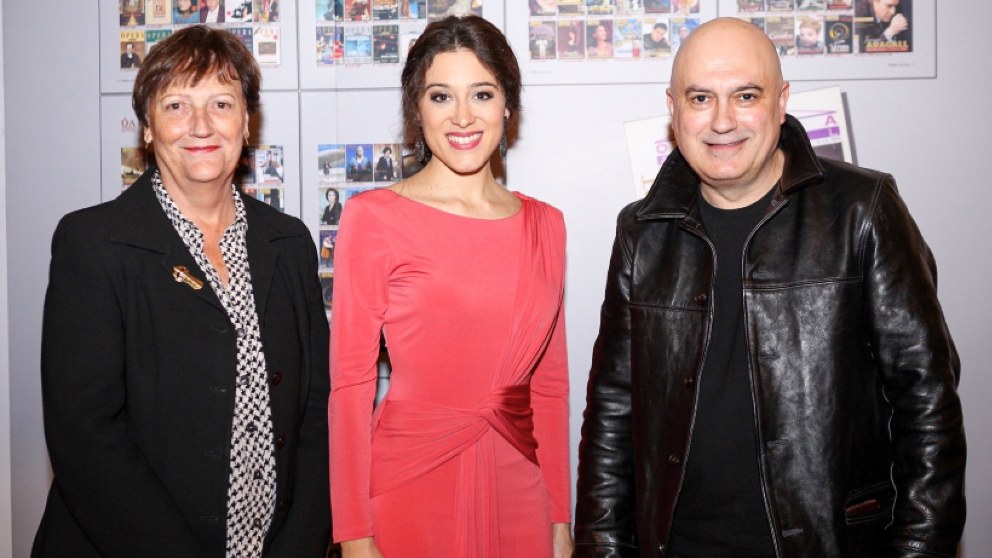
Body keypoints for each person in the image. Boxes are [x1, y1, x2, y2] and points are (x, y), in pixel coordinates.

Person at [574, 17, 965, 558]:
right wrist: (600, 546)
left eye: (746, 95)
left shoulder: (862, 210)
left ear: (781, 103)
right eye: (700, 97)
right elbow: (612, 411)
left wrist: (920, 547)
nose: (722, 121)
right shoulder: (641, 231)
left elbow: (927, 400)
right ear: (674, 109)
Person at [32, 25, 330, 558]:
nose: (200, 126)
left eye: (221, 102)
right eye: (175, 105)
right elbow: (86, 437)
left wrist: (300, 544)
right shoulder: (94, 244)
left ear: (246, 121)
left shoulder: (290, 243)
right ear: (148, 128)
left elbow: (314, 409)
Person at [330, 14, 573, 558]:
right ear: (417, 109)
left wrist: (559, 518)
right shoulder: (374, 219)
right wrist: (353, 535)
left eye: (482, 94)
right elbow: (349, 386)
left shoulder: (546, 225)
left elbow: (549, 387)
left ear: (508, 106)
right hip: (408, 485)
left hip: (521, 489)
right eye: (441, 97)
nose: (463, 116)